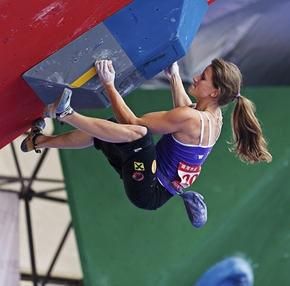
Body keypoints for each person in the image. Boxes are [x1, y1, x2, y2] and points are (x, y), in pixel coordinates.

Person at [21, 59, 272, 227]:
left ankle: (66, 113)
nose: (195, 77)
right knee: (109, 130)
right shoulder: (212, 117)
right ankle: (37, 141)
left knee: (137, 133)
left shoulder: (193, 119)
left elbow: (133, 120)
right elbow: (185, 110)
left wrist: (108, 83)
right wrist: (174, 76)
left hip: (148, 189)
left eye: (203, 78)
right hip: (152, 182)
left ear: (214, 93)